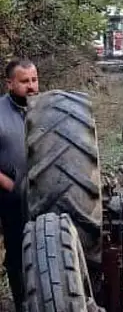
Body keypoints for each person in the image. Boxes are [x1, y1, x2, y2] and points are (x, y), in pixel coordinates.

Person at [0, 59, 38, 311]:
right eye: (25, 81)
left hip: (44, 196)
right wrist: (11, 185)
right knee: (16, 254)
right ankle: (22, 302)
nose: (32, 86)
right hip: (9, 200)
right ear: (9, 83)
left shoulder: (47, 108)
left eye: (34, 79)